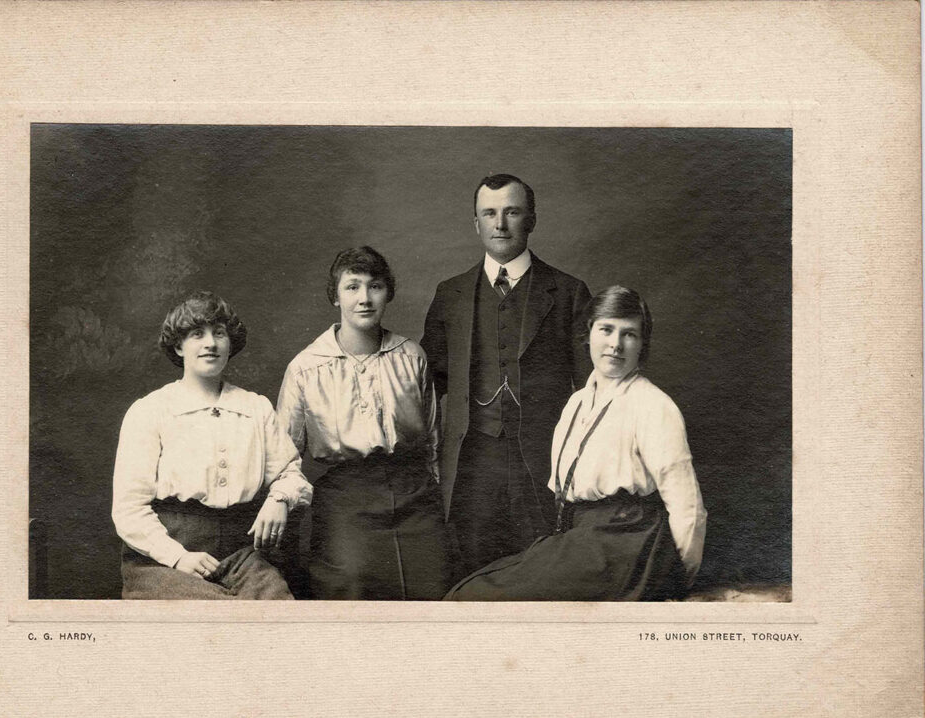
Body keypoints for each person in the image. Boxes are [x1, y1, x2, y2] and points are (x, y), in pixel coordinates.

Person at [446, 286, 706, 601]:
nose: (615, 344)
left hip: (626, 543)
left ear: (642, 345)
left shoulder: (653, 405)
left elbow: (687, 506)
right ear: (589, 334)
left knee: (482, 597)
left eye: (629, 335)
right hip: (581, 537)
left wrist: (677, 580)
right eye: (606, 329)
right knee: (476, 585)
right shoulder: (577, 403)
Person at [421, 173, 591, 575]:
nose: (500, 224)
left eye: (512, 212)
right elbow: (427, 387)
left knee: (543, 568)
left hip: (542, 460)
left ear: (530, 220)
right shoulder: (451, 294)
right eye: (490, 213)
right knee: (474, 568)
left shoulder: (568, 292)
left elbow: (591, 390)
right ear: (476, 223)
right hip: (472, 464)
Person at [277, 246, 455, 600]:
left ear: (388, 292)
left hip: (413, 494)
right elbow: (284, 457)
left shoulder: (411, 357)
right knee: (352, 583)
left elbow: (433, 443)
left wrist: (436, 503)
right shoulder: (306, 368)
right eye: (352, 287)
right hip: (346, 497)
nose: (364, 299)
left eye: (375, 286)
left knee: (436, 585)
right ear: (335, 296)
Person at [112, 292, 312, 599]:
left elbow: (290, 472)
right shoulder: (151, 410)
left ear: (230, 343)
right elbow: (128, 508)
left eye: (219, 333)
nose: (211, 343)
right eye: (197, 334)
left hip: (242, 556)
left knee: (276, 610)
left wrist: (280, 500)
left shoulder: (255, 408)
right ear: (179, 346)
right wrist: (177, 556)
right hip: (163, 557)